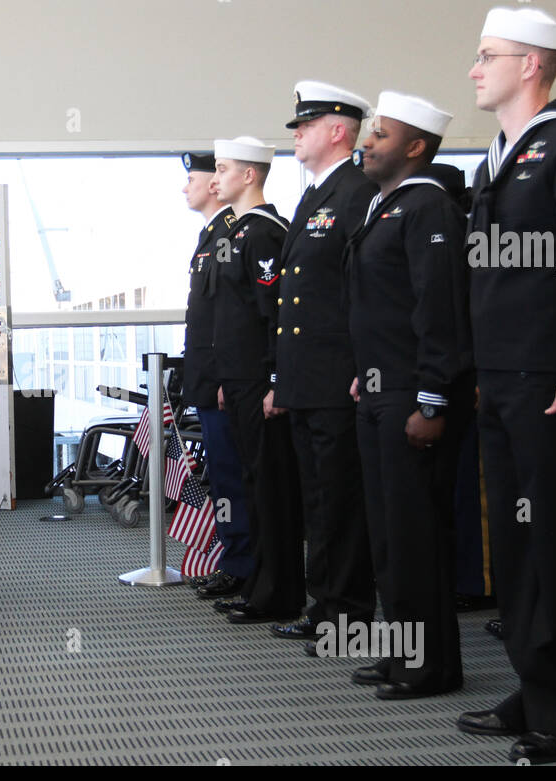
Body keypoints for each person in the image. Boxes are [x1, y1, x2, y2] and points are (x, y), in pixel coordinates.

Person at [457, 5, 556, 765]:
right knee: (514, 549)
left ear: (533, 65)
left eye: (489, 55)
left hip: (550, 382)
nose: (475, 68)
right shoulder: (500, 154)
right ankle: (533, 682)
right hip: (504, 377)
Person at [345, 91, 473, 699]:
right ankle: (401, 651)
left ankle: (431, 666)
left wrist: (432, 400)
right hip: (379, 388)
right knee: (388, 534)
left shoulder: (429, 207)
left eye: (382, 135)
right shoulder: (385, 207)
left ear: (416, 147)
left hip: (411, 396)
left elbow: (438, 310)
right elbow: (382, 308)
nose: (366, 143)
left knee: (415, 533)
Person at [268, 82, 377, 650]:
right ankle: (324, 606)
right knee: (318, 500)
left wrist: (363, 365)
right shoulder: (314, 196)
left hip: (338, 377)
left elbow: (361, 290)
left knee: (340, 502)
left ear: (339, 130)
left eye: (305, 126)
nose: (297, 135)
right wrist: (283, 379)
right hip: (307, 379)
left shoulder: (358, 192)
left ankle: (350, 615)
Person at [207, 136, 304, 625]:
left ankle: (278, 593)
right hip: (241, 382)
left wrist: (273, 381)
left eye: (223, 169)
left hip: (261, 383)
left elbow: (274, 318)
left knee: (271, 491)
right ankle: (260, 585)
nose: (215, 177)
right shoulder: (238, 231)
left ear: (250, 175)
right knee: (253, 485)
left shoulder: (263, 233)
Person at [176, 151, 253, 599]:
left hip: (227, 382)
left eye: (193, 178)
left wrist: (225, 377)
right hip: (209, 380)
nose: (185, 188)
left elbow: (235, 317)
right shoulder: (211, 236)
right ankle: (234, 560)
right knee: (223, 476)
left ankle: (244, 565)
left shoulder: (231, 234)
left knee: (233, 476)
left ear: (213, 186)